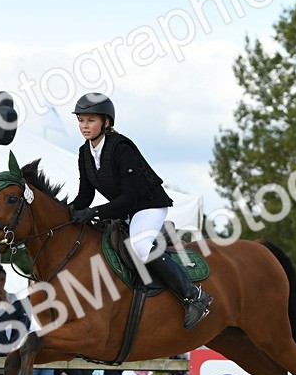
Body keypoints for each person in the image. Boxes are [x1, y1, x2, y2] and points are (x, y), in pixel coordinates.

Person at [69, 92, 213, 330]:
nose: (85, 126)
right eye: (81, 120)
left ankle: (194, 296)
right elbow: (85, 195)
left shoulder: (121, 147)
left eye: (91, 120)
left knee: (140, 246)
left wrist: (94, 213)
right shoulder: (85, 152)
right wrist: (68, 212)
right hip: (125, 211)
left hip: (148, 206)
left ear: (106, 122)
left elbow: (130, 197)